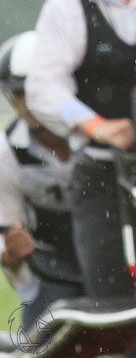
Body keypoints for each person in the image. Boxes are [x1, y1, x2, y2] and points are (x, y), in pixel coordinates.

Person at [25, 0, 136, 300]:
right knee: (112, 302)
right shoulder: (67, 5)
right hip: (102, 177)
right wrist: (97, 125)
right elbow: (43, 89)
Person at [0, 31, 83, 327]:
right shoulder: (6, 151)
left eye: (40, 89)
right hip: (52, 265)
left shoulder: (99, 135)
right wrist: (11, 253)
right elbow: (6, 236)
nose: (32, 101)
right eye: (22, 92)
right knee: (38, 338)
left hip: (118, 255)